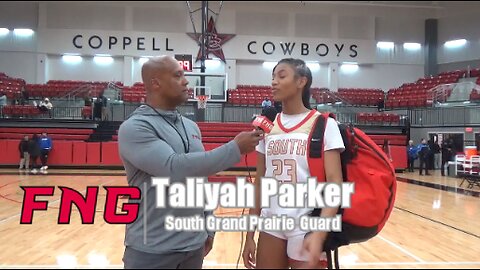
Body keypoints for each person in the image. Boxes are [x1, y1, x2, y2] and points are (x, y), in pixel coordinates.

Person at [117, 55, 263, 269]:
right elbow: (173, 167)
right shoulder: (135, 128)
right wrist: (235, 148)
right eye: (178, 75)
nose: (186, 81)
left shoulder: (191, 126)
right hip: (152, 249)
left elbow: (200, 182)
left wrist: (208, 227)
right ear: (155, 83)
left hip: (194, 247)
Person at [243, 58, 345, 269]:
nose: (273, 82)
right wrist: (250, 235)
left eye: (281, 76)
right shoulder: (267, 128)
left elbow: (335, 183)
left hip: (307, 224)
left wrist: (320, 232)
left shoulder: (325, 124)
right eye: (272, 77)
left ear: (301, 82)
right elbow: (259, 184)